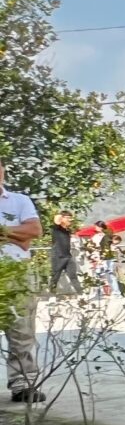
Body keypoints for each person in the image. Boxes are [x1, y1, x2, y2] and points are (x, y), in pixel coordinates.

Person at [1, 158, 44, 403]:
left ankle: (23, 385)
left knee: (22, 329)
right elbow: (23, 235)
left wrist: (3, 232)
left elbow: (34, 232)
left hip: (17, 271)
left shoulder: (20, 201)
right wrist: (15, 234)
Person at [49, 210, 82, 295]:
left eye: (70, 218)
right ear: (62, 218)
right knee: (55, 278)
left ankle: (81, 295)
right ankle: (52, 296)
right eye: (68, 218)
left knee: (73, 276)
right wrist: (62, 216)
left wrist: (66, 219)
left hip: (68, 256)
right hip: (58, 257)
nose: (70, 220)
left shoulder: (67, 230)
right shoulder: (56, 229)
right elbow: (56, 219)